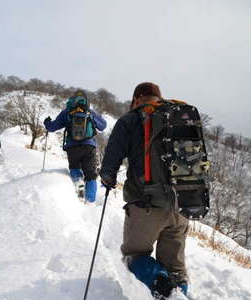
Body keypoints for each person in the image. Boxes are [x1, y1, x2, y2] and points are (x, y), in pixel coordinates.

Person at [99, 82, 189, 297]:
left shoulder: (130, 120)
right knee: (176, 270)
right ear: (159, 98)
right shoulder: (178, 117)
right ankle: (179, 293)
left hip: (145, 205)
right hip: (182, 206)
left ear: (135, 100)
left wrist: (107, 179)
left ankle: (162, 285)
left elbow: (111, 159)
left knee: (135, 255)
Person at [43, 90, 107, 203]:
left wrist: (47, 122)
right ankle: (90, 200)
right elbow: (103, 126)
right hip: (89, 146)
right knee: (90, 174)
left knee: (75, 169)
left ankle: (79, 189)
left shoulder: (67, 112)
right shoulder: (90, 112)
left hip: (72, 147)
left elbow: (52, 127)